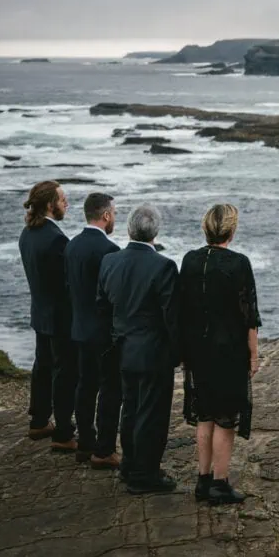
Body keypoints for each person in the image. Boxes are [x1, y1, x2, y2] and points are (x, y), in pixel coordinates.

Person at [179, 204, 261, 506]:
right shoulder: (238, 263)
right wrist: (254, 356)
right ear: (232, 229)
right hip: (228, 351)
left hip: (198, 349)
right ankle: (220, 483)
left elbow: (183, 308)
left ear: (205, 228)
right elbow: (249, 316)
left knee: (204, 414)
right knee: (225, 419)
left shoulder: (190, 260)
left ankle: (202, 480)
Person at [96, 205, 179, 494]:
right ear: (154, 233)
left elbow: (102, 305)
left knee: (130, 409)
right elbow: (172, 316)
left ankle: (129, 465)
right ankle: (145, 474)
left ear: (129, 229)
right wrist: (177, 353)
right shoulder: (164, 266)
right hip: (154, 351)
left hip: (122, 348)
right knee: (152, 414)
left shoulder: (109, 261)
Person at [18, 180, 78, 452]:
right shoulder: (56, 239)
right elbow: (67, 283)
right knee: (64, 373)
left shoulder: (27, 234)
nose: (66, 203)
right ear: (50, 204)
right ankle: (64, 433)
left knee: (42, 367)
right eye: (62, 199)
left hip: (40, 313)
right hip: (59, 317)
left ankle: (39, 420)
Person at [64, 192, 122, 469]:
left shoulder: (71, 246)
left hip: (79, 330)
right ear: (106, 215)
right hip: (104, 333)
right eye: (114, 214)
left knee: (85, 387)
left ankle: (85, 443)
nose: (115, 219)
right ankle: (105, 449)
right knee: (110, 391)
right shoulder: (109, 251)